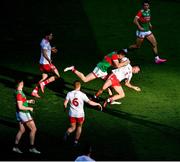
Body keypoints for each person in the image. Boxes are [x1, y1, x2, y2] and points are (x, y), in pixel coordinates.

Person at [63, 80, 102, 146]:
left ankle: (67, 133)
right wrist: (98, 104)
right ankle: (75, 142)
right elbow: (89, 102)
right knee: (79, 126)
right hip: (80, 115)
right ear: (79, 86)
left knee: (72, 127)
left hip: (71, 114)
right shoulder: (82, 95)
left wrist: (64, 108)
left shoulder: (69, 93)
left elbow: (65, 103)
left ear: (74, 86)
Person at [64, 49, 129, 83]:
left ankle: (111, 98)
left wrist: (122, 64)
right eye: (123, 56)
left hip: (103, 69)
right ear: (120, 55)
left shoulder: (114, 53)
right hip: (100, 69)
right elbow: (117, 66)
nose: (123, 57)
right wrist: (125, 63)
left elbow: (114, 65)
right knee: (85, 79)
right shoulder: (114, 55)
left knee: (109, 82)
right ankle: (73, 69)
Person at [12, 80, 41, 154]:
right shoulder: (19, 94)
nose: (23, 83)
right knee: (34, 129)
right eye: (21, 83)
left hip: (19, 113)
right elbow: (20, 107)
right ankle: (32, 148)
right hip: (23, 113)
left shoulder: (19, 92)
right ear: (18, 84)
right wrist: (30, 108)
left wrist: (28, 101)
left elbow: (22, 101)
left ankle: (15, 147)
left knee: (22, 130)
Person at [31, 31, 60, 98]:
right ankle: (43, 84)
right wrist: (49, 60)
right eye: (50, 35)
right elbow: (44, 53)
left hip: (41, 64)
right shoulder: (45, 43)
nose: (52, 37)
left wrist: (51, 49)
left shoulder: (44, 41)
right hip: (46, 64)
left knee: (44, 77)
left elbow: (45, 49)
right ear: (47, 36)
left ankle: (34, 92)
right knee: (57, 76)